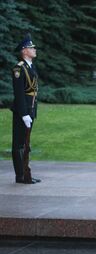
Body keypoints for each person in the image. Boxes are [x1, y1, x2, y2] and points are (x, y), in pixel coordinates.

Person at [11, 34, 40, 184]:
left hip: (30, 109)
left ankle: (25, 172)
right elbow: (19, 93)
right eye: (31, 47)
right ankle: (20, 175)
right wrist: (23, 114)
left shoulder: (31, 67)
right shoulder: (19, 68)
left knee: (26, 144)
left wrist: (31, 111)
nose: (34, 49)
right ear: (24, 51)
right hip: (22, 111)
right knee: (19, 143)